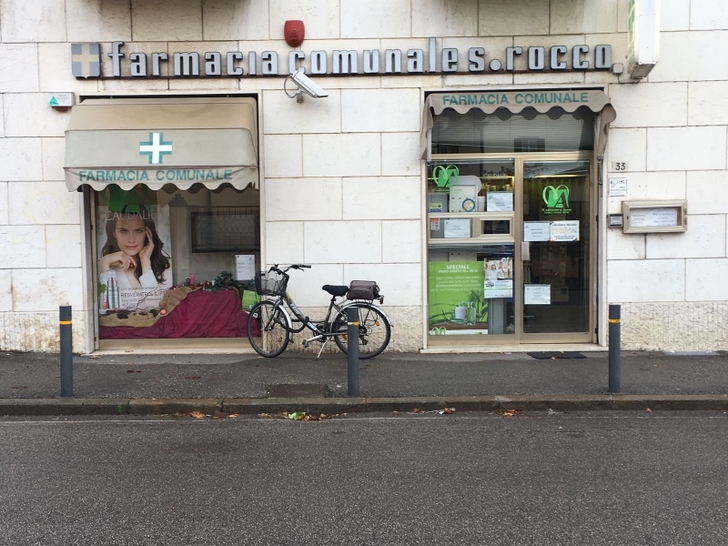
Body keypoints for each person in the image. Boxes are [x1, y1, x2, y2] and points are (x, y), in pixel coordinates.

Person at [99, 205, 172, 312]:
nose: (131, 240)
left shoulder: (165, 266)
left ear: (148, 234)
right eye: (123, 231)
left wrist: (145, 262)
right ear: (114, 233)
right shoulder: (102, 266)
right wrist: (105, 263)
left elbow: (157, 309)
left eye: (138, 231)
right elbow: (105, 311)